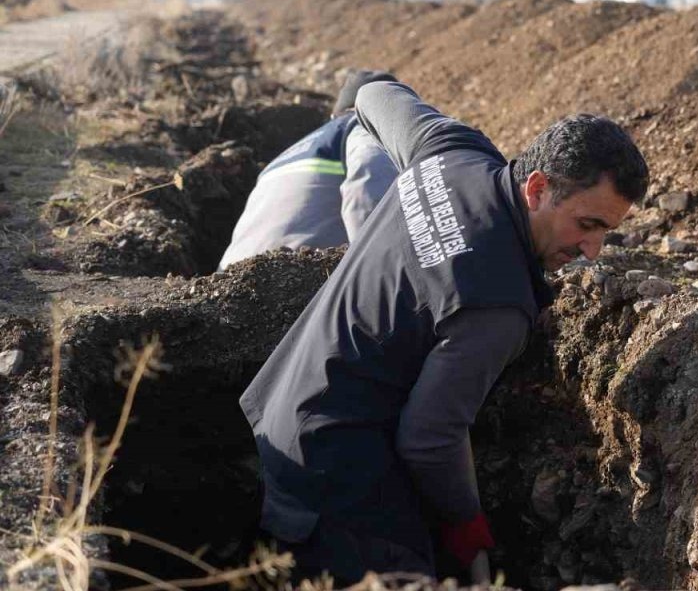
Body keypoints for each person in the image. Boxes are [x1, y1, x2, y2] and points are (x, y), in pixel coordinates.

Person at [239, 80, 649, 585]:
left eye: (606, 231)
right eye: (586, 224)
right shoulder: (496, 306)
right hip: (335, 469)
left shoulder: (451, 152)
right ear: (538, 188)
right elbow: (430, 438)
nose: (593, 250)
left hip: (284, 408)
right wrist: (467, 524)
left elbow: (372, 95)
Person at [217, 70, 399, 270]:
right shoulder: (363, 126)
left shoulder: (280, 159)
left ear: (334, 114)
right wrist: (387, 269)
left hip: (228, 278)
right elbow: (369, 187)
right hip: (293, 277)